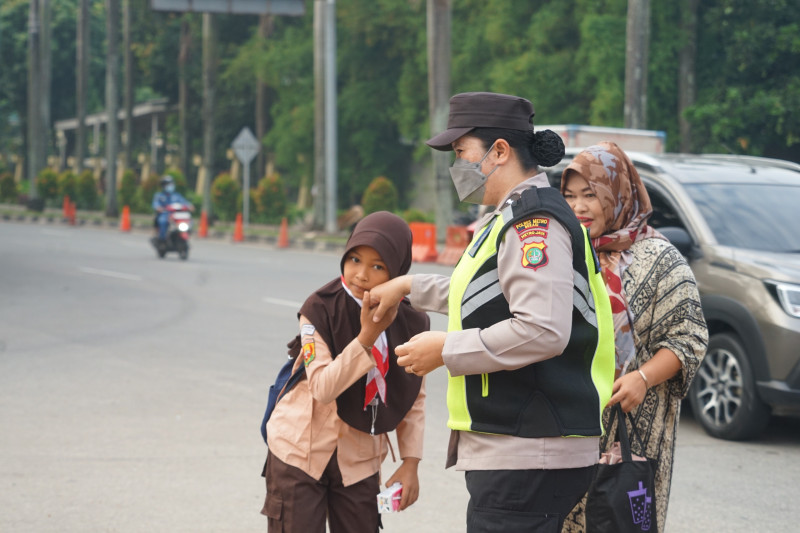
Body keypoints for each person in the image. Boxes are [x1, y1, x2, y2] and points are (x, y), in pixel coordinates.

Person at [367, 92, 616, 532]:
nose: (456, 165)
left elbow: (542, 329)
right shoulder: (507, 217)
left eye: (461, 152)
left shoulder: (534, 223)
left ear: (499, 151)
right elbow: (484, 295)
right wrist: (408, 286)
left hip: (530, 448)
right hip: (519, 444)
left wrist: (446, 349)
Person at [559, 142, 708, 533]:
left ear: (617, 194)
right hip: (567, 426)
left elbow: (689, 338)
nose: (578, 207)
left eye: (590, 195)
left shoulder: (661, 259)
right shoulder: (565, 253)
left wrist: (642, 378)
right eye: (570, 196)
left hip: (635, 427)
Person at [261, 211, 430, 533]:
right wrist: (367, 338)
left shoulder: (412, 322)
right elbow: (323, 388)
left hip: (359, 460)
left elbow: (412, 398)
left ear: (397, 271)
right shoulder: (319, 309)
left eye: (378, 266)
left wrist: (411, 463)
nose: (361, 275)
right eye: (354, 260)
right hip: (300, 452)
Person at [151, 176, 193, 241]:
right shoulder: (159, 195)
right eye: (168, 184)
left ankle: (183, 234)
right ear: (163, 186)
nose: (170, 186)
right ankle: (162, 238)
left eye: (171, 184)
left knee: (189, 220)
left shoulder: (176, 195)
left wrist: (190, 206)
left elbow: (184, 202)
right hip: (165, 214)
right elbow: (156, 204)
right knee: (162, 221)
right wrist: (158, 208)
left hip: (176, 215)